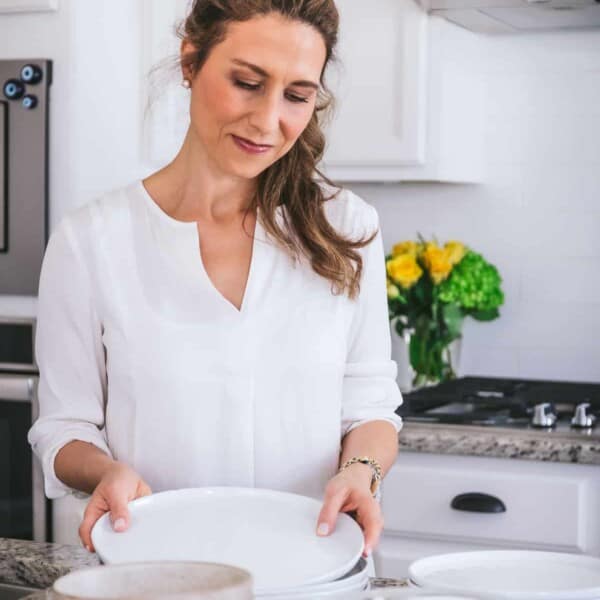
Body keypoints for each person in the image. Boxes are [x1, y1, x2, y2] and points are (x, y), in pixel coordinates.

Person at [28, 0, 402, 569]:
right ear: (190, 62)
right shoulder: (92, 240)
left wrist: (362, 470)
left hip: (315, 570)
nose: (268, 120)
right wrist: (105, 471)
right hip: (153, 568)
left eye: (297, 96)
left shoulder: (348, 229)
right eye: (247, 83)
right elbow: (64, 427)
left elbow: (371, 405)